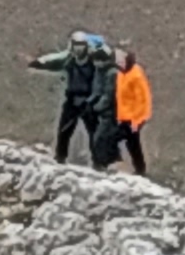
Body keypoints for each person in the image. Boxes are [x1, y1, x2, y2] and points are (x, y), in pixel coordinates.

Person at [29, 31, 119, 165]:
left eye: (81, 45)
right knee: (64, 130)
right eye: (76, 44)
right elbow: (55, 61)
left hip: (88, 100)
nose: (78, 48)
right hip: (72, 99)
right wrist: (39, 63)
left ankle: (99, 161)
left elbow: (106, 63)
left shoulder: (93, 61)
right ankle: (60, 157)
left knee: (94, 132)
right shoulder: (69, 59)